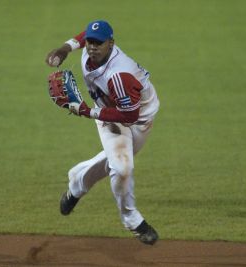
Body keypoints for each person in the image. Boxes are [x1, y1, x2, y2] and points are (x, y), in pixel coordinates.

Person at [45, 20, 160, 245]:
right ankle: (132, 219)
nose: (92, 47)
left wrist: (87, 111)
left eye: (99, 43)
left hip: (137, 119)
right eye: (90, 42)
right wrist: (65, 48)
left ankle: (77, 183)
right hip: (108, 113)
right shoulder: (90, 51)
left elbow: (129, 116)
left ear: (111, 44)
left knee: (115, 162)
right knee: (122, 167)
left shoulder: (119, 75)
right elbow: (84, 36)